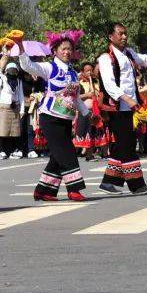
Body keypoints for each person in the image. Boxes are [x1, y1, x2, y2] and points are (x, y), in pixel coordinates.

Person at [8, 32, 92, 201]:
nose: (67, 52)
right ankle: (74, 189)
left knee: (57, 156)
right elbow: (28, 66)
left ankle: (43, 191)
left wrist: (87, 113)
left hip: (66, 119)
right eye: (63, 49)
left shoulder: (73, 73)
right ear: (55, 51)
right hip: (50, 118)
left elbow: (75, 98)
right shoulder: (49, 67)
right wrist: (21, 46)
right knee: (67, 152)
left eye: (70, 49)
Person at [97, 22, 147, 195]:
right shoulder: (105, 58)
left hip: (128, 107)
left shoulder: (129, 53)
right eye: (120, 34)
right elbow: (109, 85)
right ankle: (136, 185)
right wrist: (128, 100)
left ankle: (109, 182)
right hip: (116, 107)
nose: (124, 37)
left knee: (123, 144)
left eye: (125, 34)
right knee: (128, 146)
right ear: (111, 36)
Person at [0, 55, 25, 159]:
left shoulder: (19, 81)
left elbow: (21, 95)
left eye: (15, 70)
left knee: (15, 131)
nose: (13, 72)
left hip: (16, 107)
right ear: (6, 70)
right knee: (3, 130)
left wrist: (22, 109)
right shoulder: (2, 79)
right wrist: (5, 55)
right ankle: (2, 150)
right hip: (4, 107)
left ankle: (15, 150)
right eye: (11, 70)